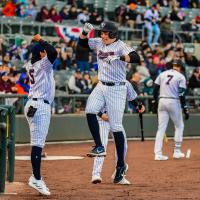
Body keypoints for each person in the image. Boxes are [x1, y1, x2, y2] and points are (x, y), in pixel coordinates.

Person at [78, 21, 142, 184]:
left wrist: (119, 57)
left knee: (116, 127)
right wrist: (84, 32)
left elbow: (136, 57)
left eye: (106, 33)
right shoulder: (99, 42)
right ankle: (99, 146)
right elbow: (82, 45)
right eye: (102, 32)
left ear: (113, 34)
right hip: (101, 84)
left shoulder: (121, 45)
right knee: (90, 110)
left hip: (117, 88)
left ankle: (120, 165)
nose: (102, 35)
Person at [91, 81, 144, 185]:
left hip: (115, 120)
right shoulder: (101, 82)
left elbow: (132, 99)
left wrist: (139, 106)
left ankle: (118, 172)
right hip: (102, 120)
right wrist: (100, 114)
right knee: (102, 145)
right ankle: (96, 174)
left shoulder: (126, 83)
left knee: (123, 146)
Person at [24, 34, 57, 195]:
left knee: (38, 144)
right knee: (37, 144)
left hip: (34, 103)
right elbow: (54, 52)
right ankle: (36, 178)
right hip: (39, 105)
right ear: (41, 53)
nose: (46, 53)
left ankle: (37, 177)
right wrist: (41, 40)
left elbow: (50, 53)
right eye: (43, 51)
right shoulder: (43, 64)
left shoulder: (31, 64)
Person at [153, 59, 189, 161]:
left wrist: (155, 102)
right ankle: (177, 151)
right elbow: (181, 94)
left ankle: (158, 154)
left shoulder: (163, 74)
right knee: (179, 125)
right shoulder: (181, 76)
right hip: (174, 101)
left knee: (161, 128)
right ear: (180, 67)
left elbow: (155, 90)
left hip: (162, 100)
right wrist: (185, 107)